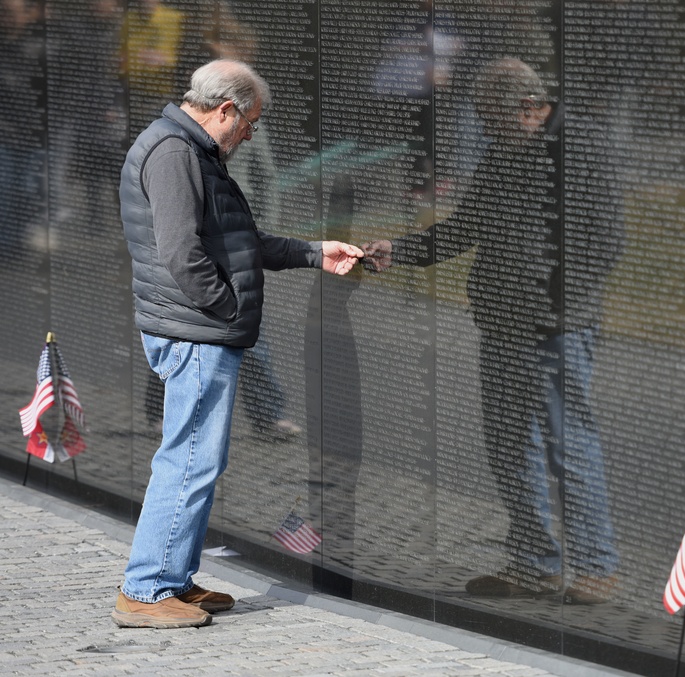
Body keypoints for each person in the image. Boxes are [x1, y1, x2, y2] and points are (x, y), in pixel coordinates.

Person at [114, 58, 364, 629]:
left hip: (197, 329)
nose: (252, 133)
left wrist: (311, 251)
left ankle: (171, 579)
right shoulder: (176, 153)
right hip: (197, 332)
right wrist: (227, 310)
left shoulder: (189, 148)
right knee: (189, 461)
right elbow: (182, 253)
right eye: (250, 121)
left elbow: (237, 241)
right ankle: (146, 590)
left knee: (199, 458)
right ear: (224, 111)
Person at [363, 58, 623, 604]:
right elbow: (470, 225)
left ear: (528, 109)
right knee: (509, 445)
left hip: (554, 326)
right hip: (501, 322)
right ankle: (533, 563)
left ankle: (596, 567)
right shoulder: (503, 151)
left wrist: (550, 299)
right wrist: (401, 250)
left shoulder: (580, 146)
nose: (485, 131)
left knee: (567, 443)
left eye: (491, 120)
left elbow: (605, 240)